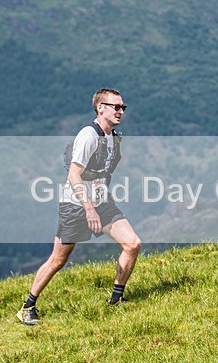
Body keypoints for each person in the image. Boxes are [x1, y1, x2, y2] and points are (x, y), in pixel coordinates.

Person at [17, 88, 142, 325]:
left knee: (132, 243)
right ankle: (27, 307)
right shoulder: (88, 136)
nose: (121, 111)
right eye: (116, 107)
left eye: (123, 107)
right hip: (76, 206)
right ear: (100, 108)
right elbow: (74, 175)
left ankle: (116, 300)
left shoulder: (112, 137)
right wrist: (88, 208)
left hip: (102, 202)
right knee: (58, 260)